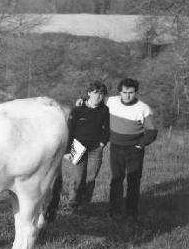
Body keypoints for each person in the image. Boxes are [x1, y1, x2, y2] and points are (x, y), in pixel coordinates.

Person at [106, 78, 158, 220]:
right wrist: (82, 99)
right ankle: (114, 211)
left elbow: (152, 131)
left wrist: (140, 145)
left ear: (135, 92)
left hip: (134, 150)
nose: (127, 95)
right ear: (119, 92)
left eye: (131, 92)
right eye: (124, 92)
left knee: (133, 180)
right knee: (116, 179)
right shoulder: (111, 101)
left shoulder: (143, 108)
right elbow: (95, 100)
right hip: (116, 147)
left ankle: (131, 213)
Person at [66, 81, 110, 210]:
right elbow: (69, 130)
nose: (98, 96)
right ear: (89, 93)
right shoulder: (77, 109)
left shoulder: (104, 110)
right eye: (96, 93)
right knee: (77, 177)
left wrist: (103, 142)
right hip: (77, 146)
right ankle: (73, 203)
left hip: (95, 148)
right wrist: (67, 150)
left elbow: (107, 129)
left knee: (90, 178)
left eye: (101, 93)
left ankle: (85, 204)